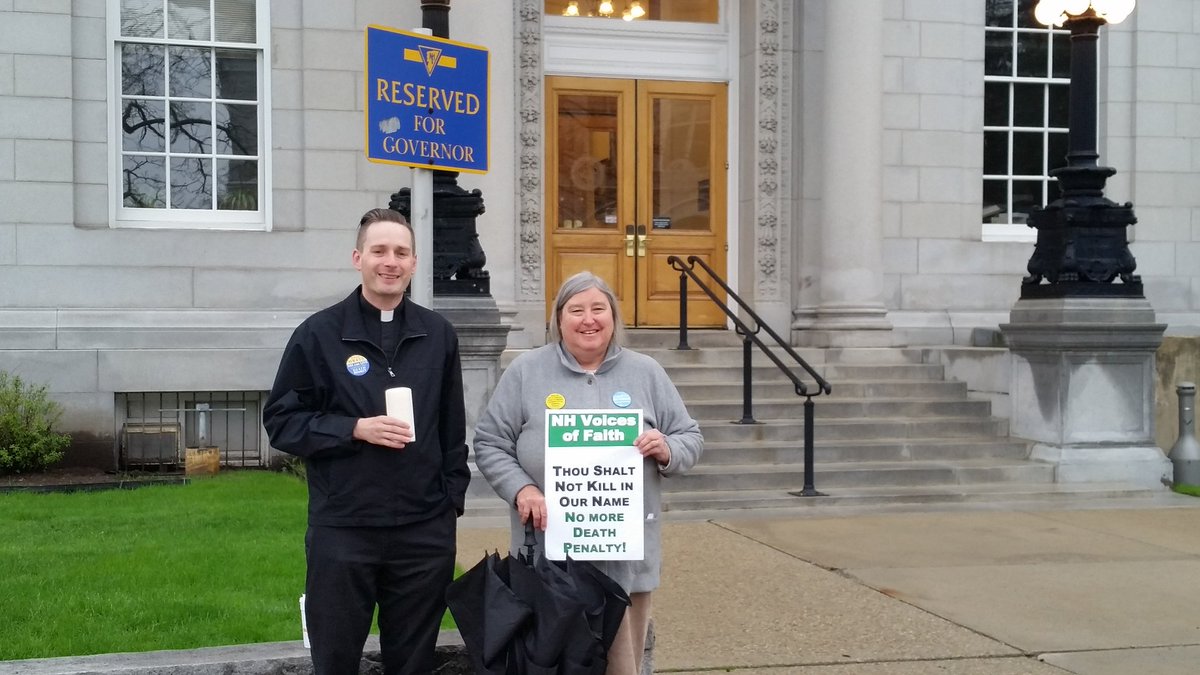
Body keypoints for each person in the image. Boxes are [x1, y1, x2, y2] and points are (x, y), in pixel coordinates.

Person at [263, 208, 470, 675]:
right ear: (358, 257)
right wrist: (353, 428)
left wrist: (448, 504)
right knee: (335, 658)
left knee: (413, 662)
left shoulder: (438, 336)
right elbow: (282, 420)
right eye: (379, 251)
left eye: (401, 252)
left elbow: (452, 431)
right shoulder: (319, 335)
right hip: (345, 528)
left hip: (423, 532)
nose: (389, 262)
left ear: (414, 263)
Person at [473, 270, 703, 675]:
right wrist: (522, 489)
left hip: (624, 562)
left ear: (613, 317)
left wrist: (667, 449)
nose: (588, 319)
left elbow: (690, 437)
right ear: (559, 319)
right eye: (576, 310)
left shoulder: (646, 372)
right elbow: (491, 441)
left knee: (621, 666)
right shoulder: (526, 372)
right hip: (547, 561)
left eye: (599, 309)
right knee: (549, 662)